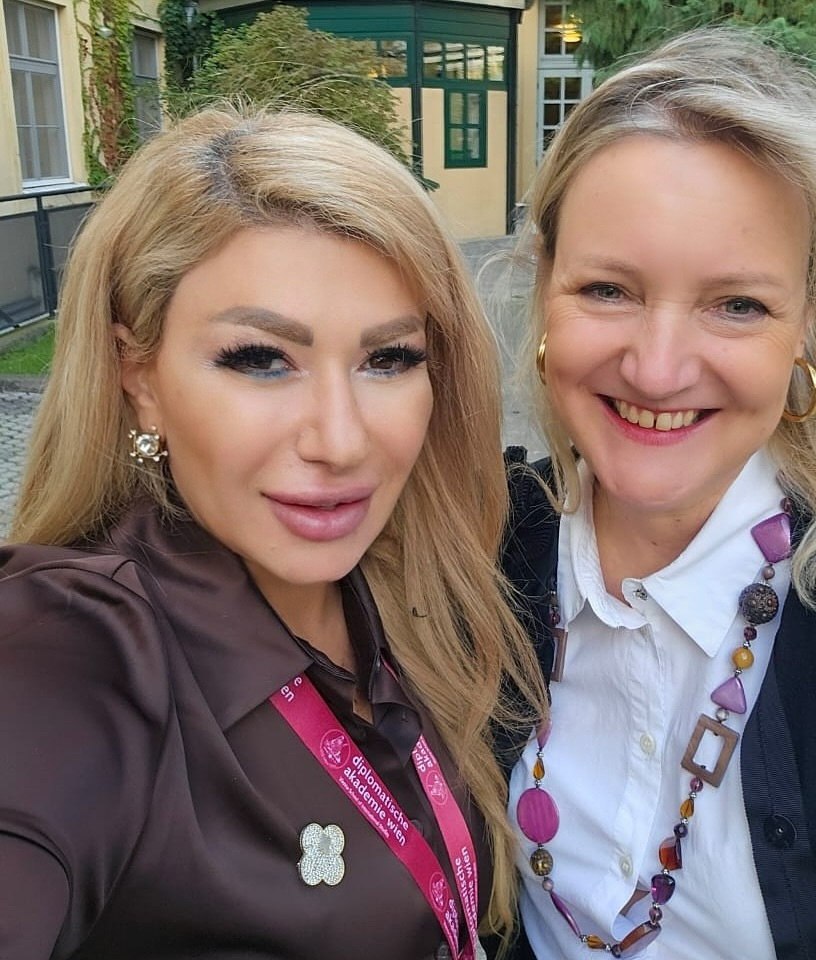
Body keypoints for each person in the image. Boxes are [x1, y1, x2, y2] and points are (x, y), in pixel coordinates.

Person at [0, 106, 545, 960]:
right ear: (137, 374)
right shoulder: (73, 647)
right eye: (260, 359)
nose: (341, 441)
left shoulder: (416, 591)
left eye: (388, 359)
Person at [500, 26, 816, 960]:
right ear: (546, 285)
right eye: (608, 289)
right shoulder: (482, 544)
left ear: (809, 323)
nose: (658, 367)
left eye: (737, 304)